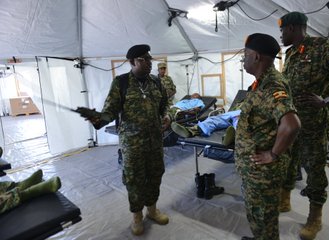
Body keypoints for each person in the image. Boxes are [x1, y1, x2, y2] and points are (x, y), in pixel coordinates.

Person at [279, 11, 329, 240]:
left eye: (282, 30)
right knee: (288, 162)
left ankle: (315, 217)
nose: (281, 35)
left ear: (293, 28)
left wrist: (326, 100)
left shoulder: (321, 47)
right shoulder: (292, 53)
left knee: (314, 170)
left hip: (312, 126)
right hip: (290, 122)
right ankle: (284, 200)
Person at [76, 44, 170, 236]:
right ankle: (137, 216)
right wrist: (97, 118)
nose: (149, 63)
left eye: (150, 59)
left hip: (155, 141)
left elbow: (163, 106)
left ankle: (152, 211)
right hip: (132, 143)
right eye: (144, 60)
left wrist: (167, 116)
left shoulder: (156, 83)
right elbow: (109, 112)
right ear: (132, 62)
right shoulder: (121, 83)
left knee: (155, 174)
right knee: (134, 179)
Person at [235, 33, 301, 240]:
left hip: (262, 172)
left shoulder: (271, 86)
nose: (243, 58)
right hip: (255, 170)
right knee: (259, 215)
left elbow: (292, 124)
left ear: (256, 56)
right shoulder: (262, 83)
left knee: (264, 217)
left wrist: (273, 154)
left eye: (245, 54)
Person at [171, 109, 241, 146]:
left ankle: (232, 137)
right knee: (212, 119)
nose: (193, 96)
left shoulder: (251, 102)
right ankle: (191, 131)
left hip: (243, 114)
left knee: (240, 122)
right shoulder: (241, 101)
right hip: (232, 114)